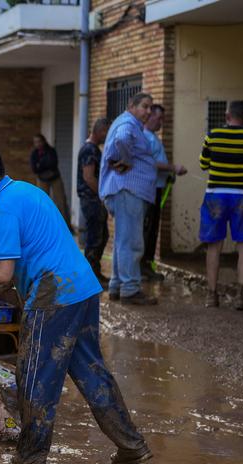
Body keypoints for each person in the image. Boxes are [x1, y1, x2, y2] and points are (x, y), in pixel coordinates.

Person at [0, 144, 151, 464]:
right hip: (82, 289)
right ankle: (132, 446)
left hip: (53, 296)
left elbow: (2, 270)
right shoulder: (27, 191)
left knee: (35, 378)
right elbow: (24, 261)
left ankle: (31, 458)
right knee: (92, 372)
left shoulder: (3, 209)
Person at [198, 100, 243, 310]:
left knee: (214, 245)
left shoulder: (212, 136)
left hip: (215, 197)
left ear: (227, 115)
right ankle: (241, 295)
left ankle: (211, 296)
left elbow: (203, 164)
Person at [100, 92, 158, 305]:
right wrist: (126, 159)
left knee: (122, 241)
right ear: (131, 106)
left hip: (125, 191)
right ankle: (130, 289)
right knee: (132, 242)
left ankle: (117, 285)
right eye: (145, 106)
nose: (148, 111)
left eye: (150, 108)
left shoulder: (127, 122)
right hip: (128, 191)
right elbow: (122, 139)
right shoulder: (128, 123)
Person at [142, 104, 187, 281]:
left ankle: (147, 265)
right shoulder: (145, 137)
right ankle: (143, 267)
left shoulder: (153, 137)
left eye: (163, 119)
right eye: (159, 118)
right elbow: (149, 163)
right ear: (150, 117)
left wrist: (169, 173)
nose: (161, 122)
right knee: (148, 228)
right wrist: (172, 168)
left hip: (158, 187)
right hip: (149, 190)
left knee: (153, 229)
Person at [77, 118, 111, 285]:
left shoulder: (92, 149)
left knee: (101, 236)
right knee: (96, 237)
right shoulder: (90, 150)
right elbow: (89, 177)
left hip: (92, 199)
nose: (107, 136)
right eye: (106, 132)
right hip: (92, 200)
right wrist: (102, 195)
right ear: (100, 131)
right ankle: (90, 277)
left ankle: (94, 273)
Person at [29, 134, 70, 226]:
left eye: (39, 141)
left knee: (60, 201)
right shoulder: (34, 154)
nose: (38, 144)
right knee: (42, 202)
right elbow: (34, 169)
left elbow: (53, 164)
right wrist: (43, 165)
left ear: (44, 141)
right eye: (36, 142)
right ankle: (43, 224)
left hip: (55, 178)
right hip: (42, 179)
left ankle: (64, 225)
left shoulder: (51, 151)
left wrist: (40, 164)